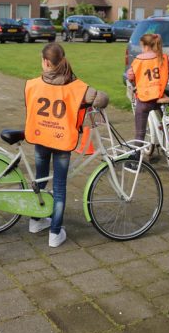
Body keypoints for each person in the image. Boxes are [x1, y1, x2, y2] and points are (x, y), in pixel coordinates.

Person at [24, 43, 108, 247]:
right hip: (62, 140)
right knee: (59, 186)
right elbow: (102, 99)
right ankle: (55, 233)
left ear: (45, 62)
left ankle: (35, 221)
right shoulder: (78, 87)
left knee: (40, 181)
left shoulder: (32, 84)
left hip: (41, 138)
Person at [126, 33, 169, 143]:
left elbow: (130, 75)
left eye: (141, 46)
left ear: (145, 46)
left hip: (144, 100)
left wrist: (132, 79)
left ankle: (136, 157)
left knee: (140, 133)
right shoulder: (163, 57)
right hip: (159, 97)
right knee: (163, 120)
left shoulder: (138, 60)